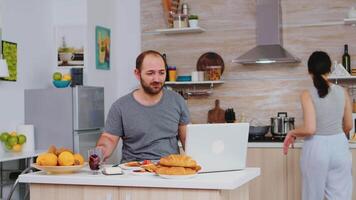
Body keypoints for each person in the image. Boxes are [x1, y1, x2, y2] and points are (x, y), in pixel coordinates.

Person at [96, 50, 190, 163]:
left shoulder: (177, 101)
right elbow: (109, 138)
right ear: (137, 73)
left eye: (161, 73)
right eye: (150, 73)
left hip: (169, 169)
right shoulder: (120, 106)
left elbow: (187, 140)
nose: (157, 79)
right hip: (133, 171)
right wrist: (100, 151)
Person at [283, 51, 353, 200]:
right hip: (340, 146)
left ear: (309, 71)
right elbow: (348, 125)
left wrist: (292, 132)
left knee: (312, 196)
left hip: (316, 148)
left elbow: (310, 129)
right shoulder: (343, 92)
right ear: (329, 69)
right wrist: (334, 133)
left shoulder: (307, 94)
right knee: (341, 196)